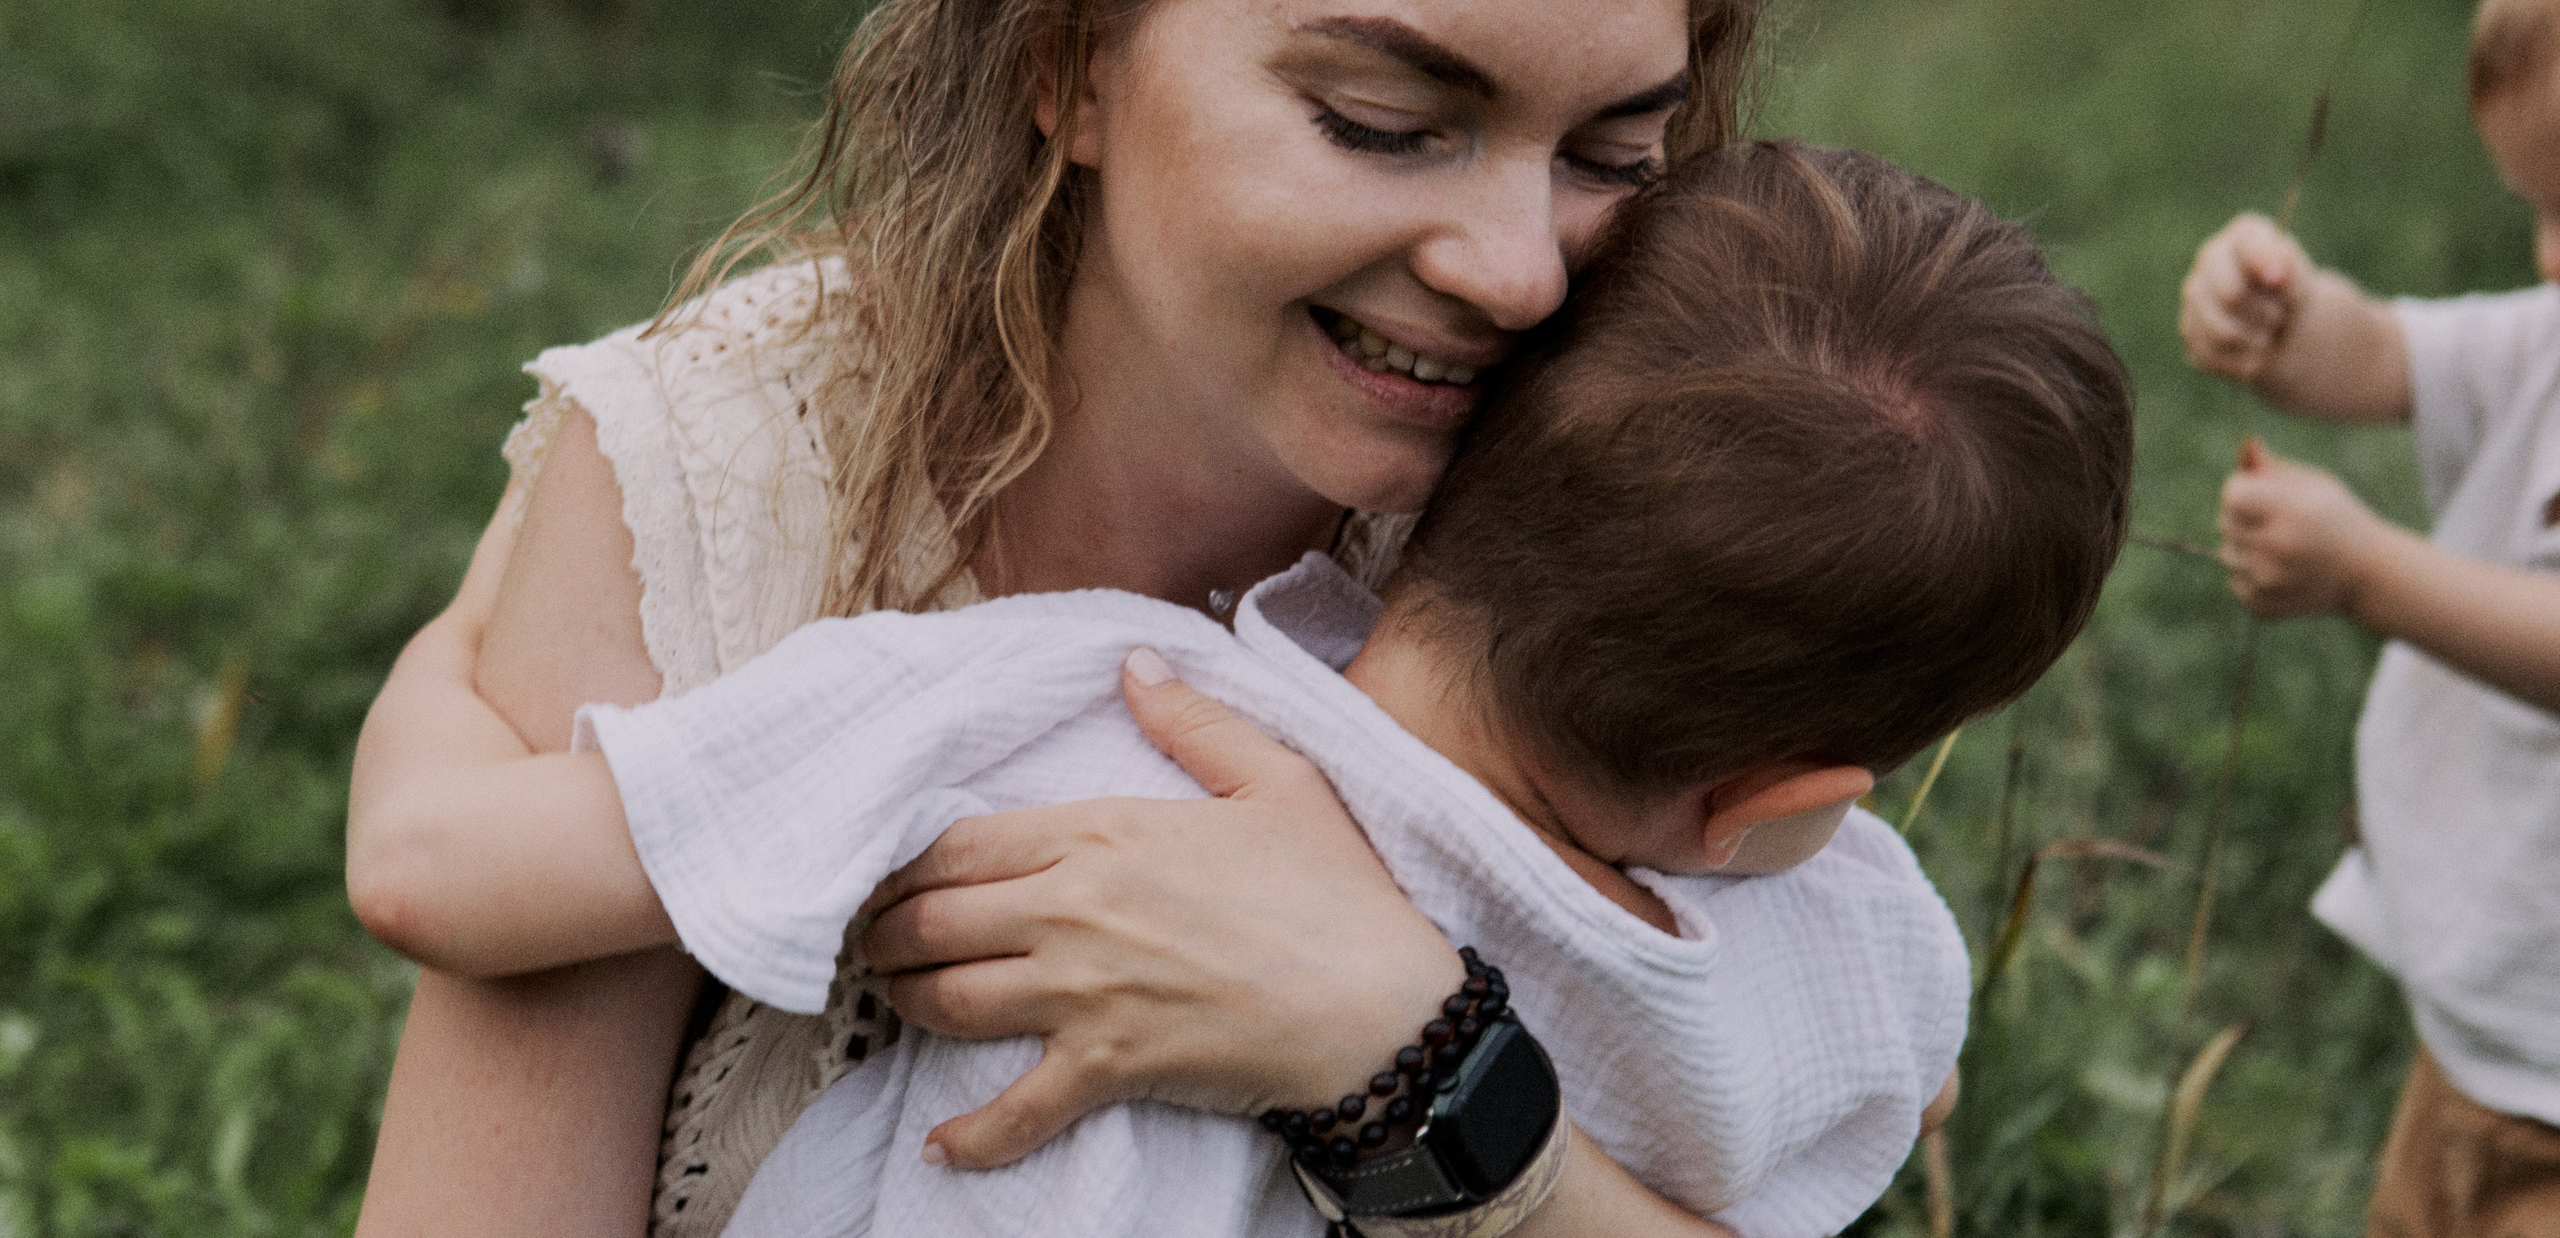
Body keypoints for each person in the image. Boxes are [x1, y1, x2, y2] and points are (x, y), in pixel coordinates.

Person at [345, 0, 1780, 1238]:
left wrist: (1399, 1050)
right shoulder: (728, 481)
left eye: (1614, 154)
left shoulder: (1619, 495)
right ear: (1070, 55)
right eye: (1386, 122)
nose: (1523, 273)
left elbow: (1848, 1063)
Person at [351, 142, 2136, 1238]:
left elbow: (439, 876)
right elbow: (1901, 1097)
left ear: (1458, 461)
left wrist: (463, 634)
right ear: (1777, 796)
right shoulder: (1838, 956)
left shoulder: (1067, 693)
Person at [2179, 0, 2560, 1238]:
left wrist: (2366, 573)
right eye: (2537, 208)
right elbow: (2384, 353)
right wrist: (2281, 316)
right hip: (2479, 1027)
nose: (2550, 260)